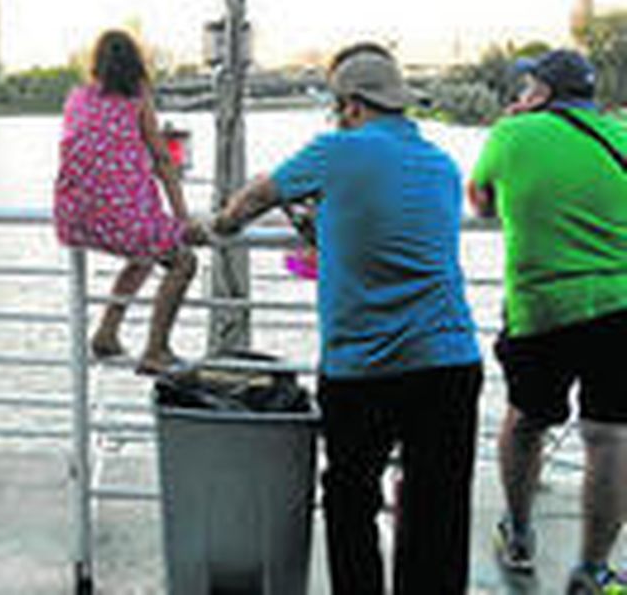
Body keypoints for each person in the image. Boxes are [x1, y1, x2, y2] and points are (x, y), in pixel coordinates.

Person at [199, 45, 483, 593]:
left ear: (351, 106)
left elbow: (257, 196)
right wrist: (327, 222)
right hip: (448, 362)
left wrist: (223, 221)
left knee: (351, 502)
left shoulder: (337, 151)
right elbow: (385, 225)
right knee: (438, 511)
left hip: (364, 368)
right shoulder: (443, 166)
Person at [467, 49, 627, 594]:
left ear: (540, 92)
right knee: (608, 436)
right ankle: (593, 571)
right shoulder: (621, 136)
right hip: (619, 306)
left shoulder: (513, 134)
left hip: (541, 308)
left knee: (527, 421)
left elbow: (481, 202)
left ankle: (517, 535)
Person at [53, 29, 197, 374]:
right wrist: (182, 218)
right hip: (121, 219)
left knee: (145, 252)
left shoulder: (77, 97)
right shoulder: (137, 99)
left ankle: (107, 332)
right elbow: (163, 159)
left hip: (73, 218)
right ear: (135, 66)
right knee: (183, 262)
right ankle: (156, 350)